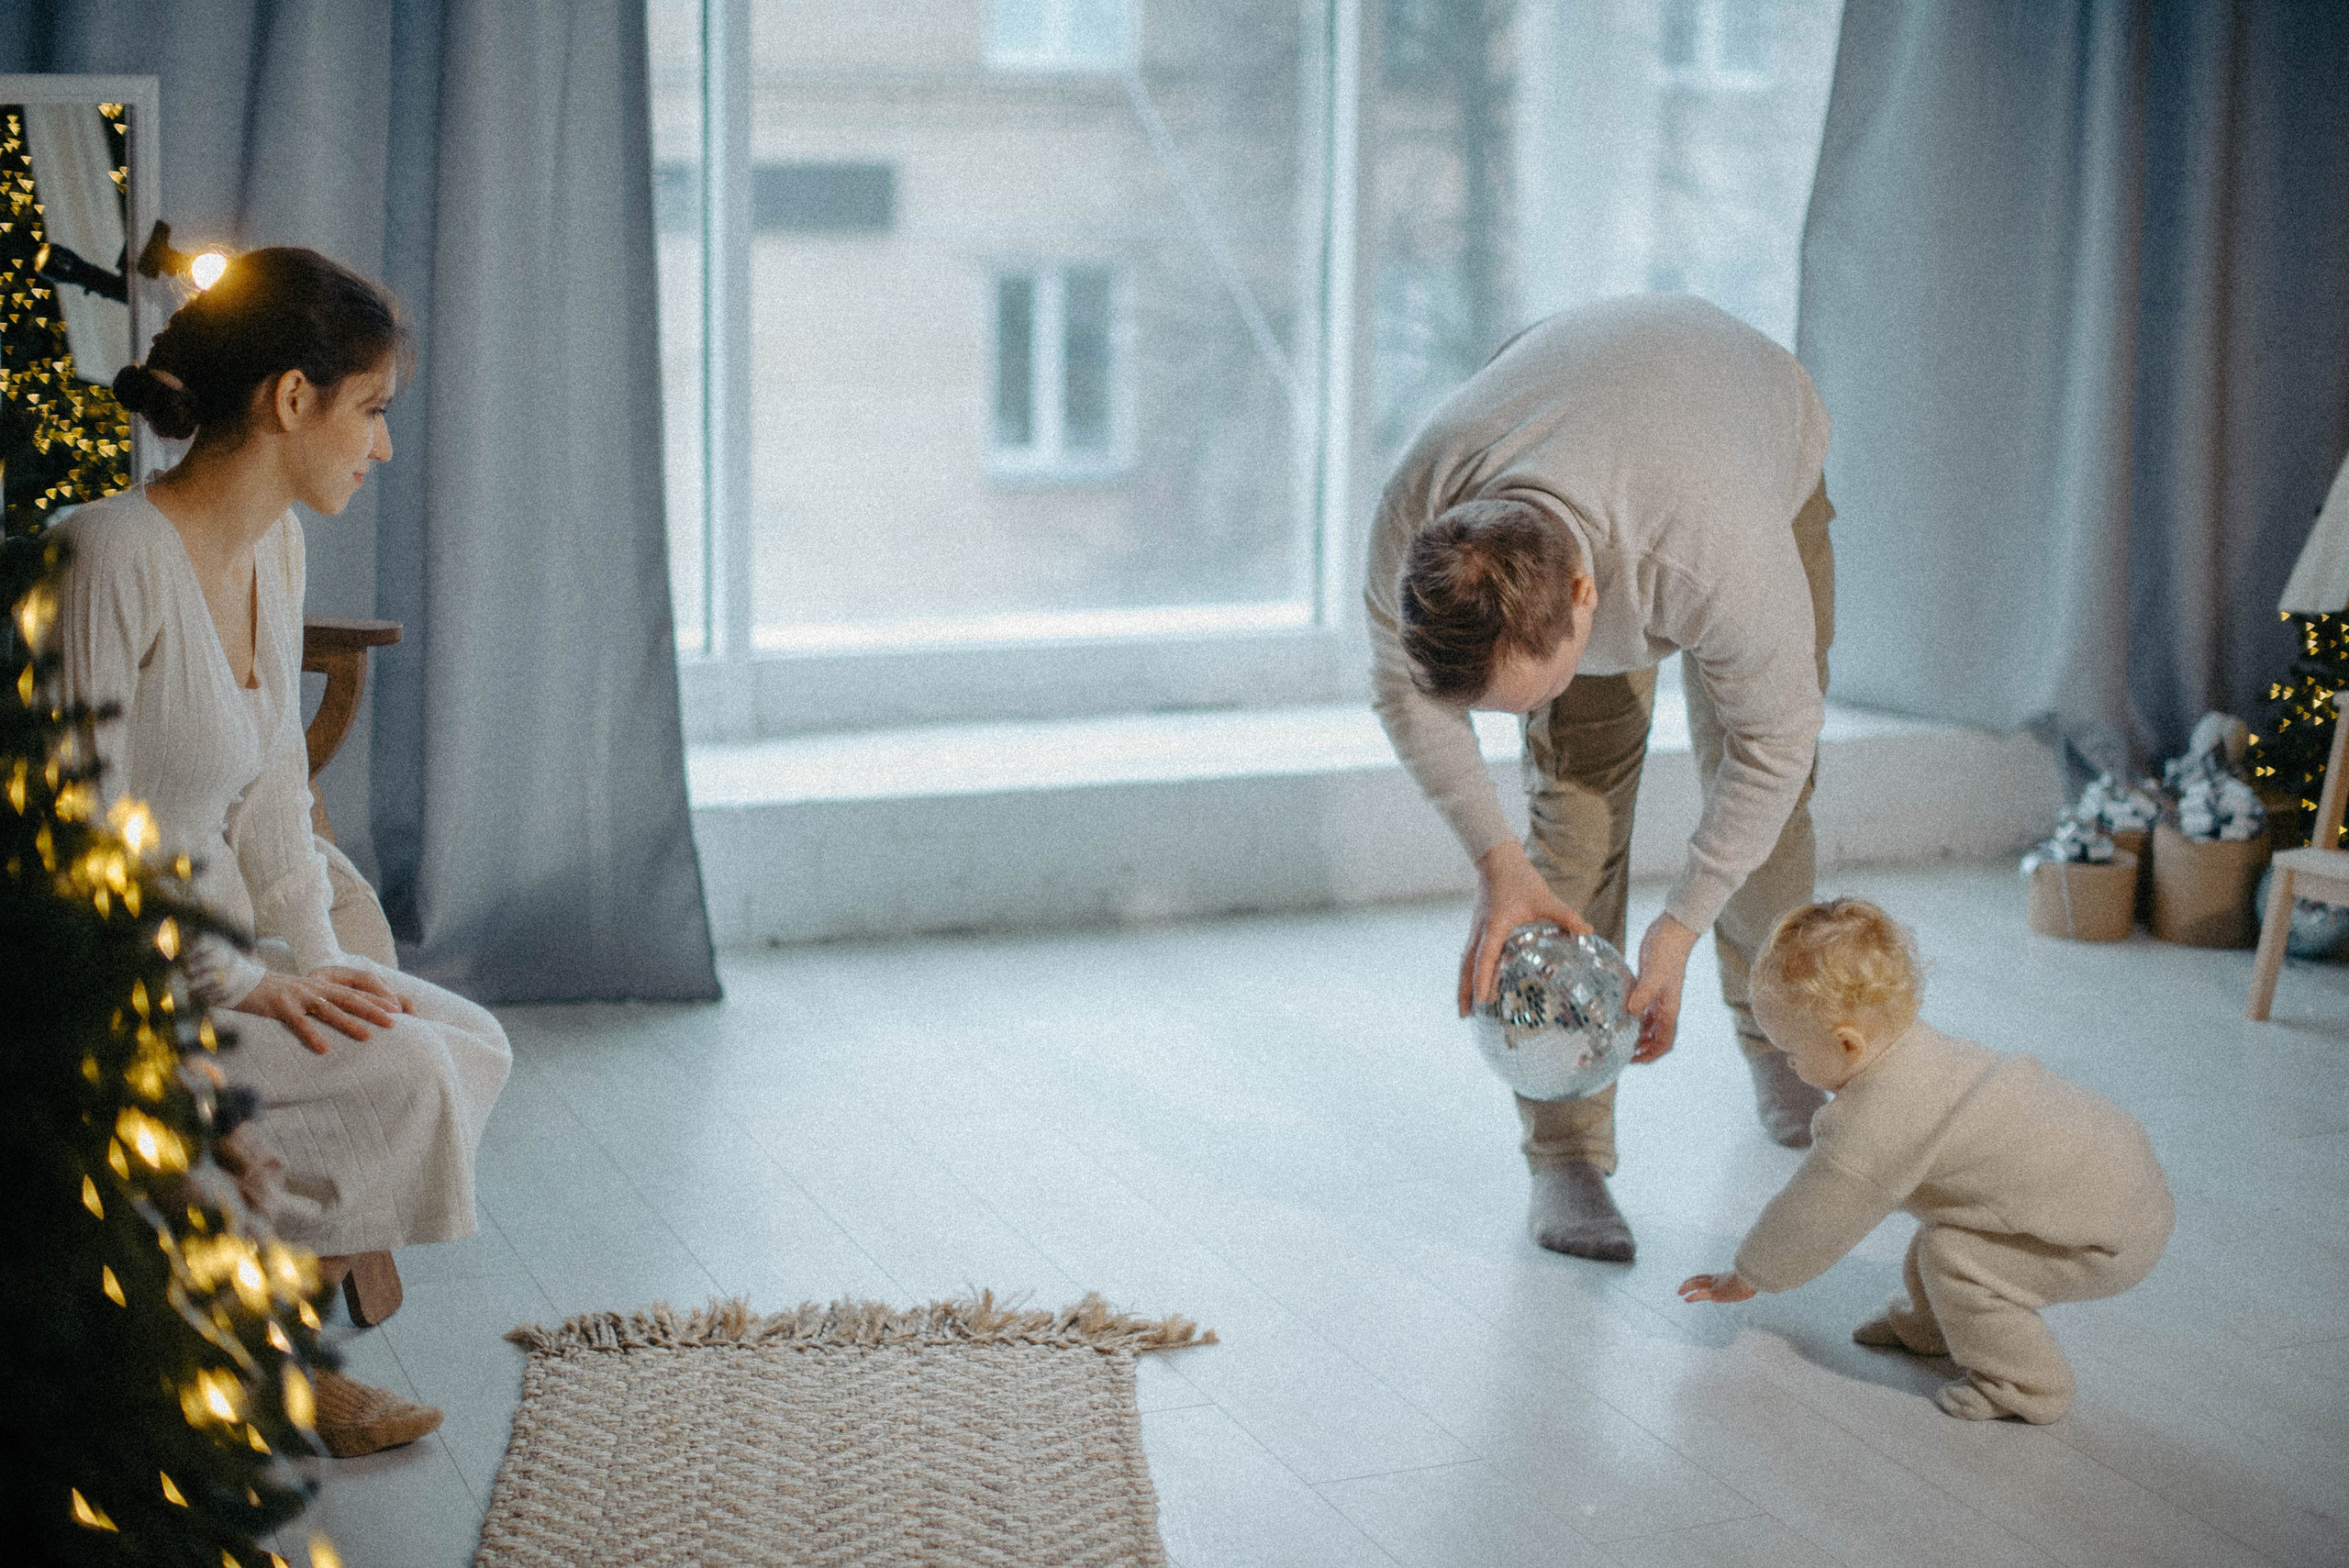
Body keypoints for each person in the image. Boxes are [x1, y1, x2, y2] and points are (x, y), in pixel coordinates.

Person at [55, 247, 512, 1457]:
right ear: (291, 398)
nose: (384, 446)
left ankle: (252, 1336)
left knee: (467, 1042)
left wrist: (317, 967)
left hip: (223, 959)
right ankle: (247, 1356)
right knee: (409, 1073)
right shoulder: (106, 552)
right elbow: (74, 836)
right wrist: (243, 986)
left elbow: (270, 805)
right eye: (371, 409)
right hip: (114, 985)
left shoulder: (273, 553)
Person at [1367, 294, 1835, 1262]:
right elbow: (1403, 693)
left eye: (1528, 691)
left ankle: (1778, 1040)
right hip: (1599, 428)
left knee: (1768, 814)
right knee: (1568, 824)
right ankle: (1564, 1149)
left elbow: (1774, 749)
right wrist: (1497, 861)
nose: (1518, 720)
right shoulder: (1421, 511)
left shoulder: (1713, 553)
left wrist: (1678, 926)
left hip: (1747, 444)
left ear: (1585, 598)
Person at [1677, 898, 2174, 1424]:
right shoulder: (1921, 1052)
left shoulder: (1878, 1120)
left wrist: (1749, 1273)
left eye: (1792, 1052)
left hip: (2106, 1239)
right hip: (2125, 1183)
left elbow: (1815, 1213)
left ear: (1848, 1043)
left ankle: (2026, 1385)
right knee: (1952, 1230)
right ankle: (1928, 1327)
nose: (1790, 1064)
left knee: (1952, 1257)